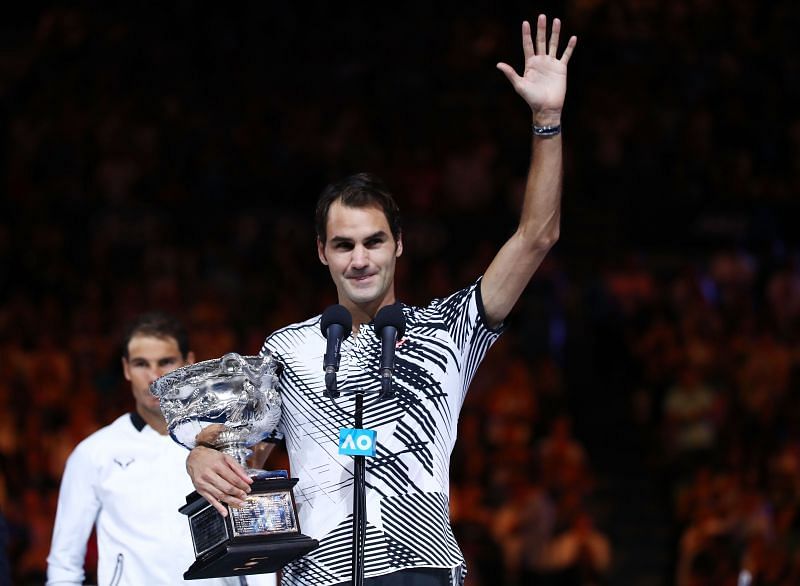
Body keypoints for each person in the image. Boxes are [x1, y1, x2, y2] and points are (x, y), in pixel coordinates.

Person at [186, 14, 577, 586]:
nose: (360, 259)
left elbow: (536, 236)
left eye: (373, 241)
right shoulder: (287, 349)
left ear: (399, 245)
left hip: (420, 570)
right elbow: (241, 456)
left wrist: (547, 120)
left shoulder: (449, 329)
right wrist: (201, 457)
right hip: (312, 575)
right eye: (344, 245)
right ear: (322, 252)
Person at [46, 312, 275, 586]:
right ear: (126, 369)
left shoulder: (227, 441)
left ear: (189, 364)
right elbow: (64, 563)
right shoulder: (94, 452)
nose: (154, 376)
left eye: (166, 362)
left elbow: (256, 537)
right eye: (141, 364)